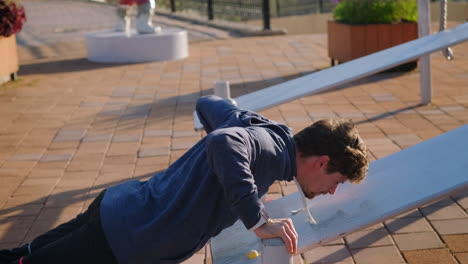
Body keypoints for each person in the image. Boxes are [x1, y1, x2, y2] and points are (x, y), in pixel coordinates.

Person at [0, 95, 369, 264]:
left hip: (119, 209)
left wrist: (217, 182)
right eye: (336, 180)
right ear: (321, 162)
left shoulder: (267, 132)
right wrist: (257, 219)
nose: (332, 191)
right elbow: (224, 143)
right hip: (125, 238)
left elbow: (209, 104)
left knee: (24, 255)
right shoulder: (269, 149)